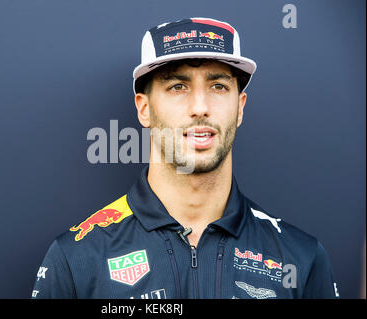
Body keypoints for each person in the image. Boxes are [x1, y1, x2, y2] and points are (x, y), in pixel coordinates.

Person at [31, 17, 339, 299]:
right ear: (144, 108)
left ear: (240, 106)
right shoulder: (78, 257)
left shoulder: (301, 258)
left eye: (218, 85)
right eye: (178, 86)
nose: (200, 106)